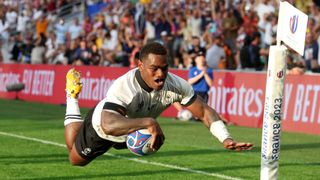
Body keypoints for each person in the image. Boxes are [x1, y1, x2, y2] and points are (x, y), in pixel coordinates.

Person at [64, 42, 253, 166]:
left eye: (164, 68)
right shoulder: (124, 86)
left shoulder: (176, 85)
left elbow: (204, 112)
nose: (160, 74)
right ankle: (72, 96)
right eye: (154, 69)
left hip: (134, 131)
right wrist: (149, 123)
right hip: (104, 128)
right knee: (75, 159)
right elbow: (108, 123)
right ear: (140, 66)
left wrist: (225, 138)